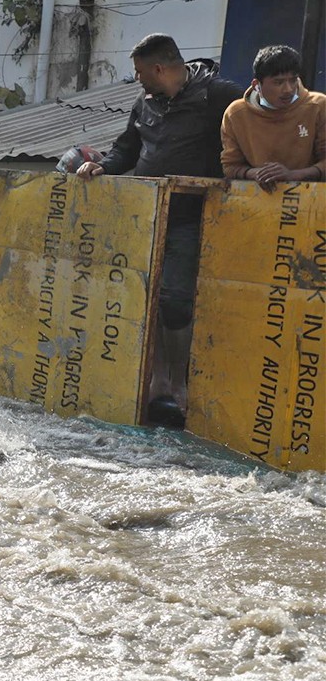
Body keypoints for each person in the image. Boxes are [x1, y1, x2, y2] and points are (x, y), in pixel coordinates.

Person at [76, 33, 244, 427]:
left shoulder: (218, 95)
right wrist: (104, 166)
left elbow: (247, 140)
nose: (137, 80)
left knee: (177, 300)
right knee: (141, 298)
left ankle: (176, 382)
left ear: (159, 68)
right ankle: (149, 381)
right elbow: (127, 148)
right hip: (146, 216)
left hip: (193, 216)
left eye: (139, 72)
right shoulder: (145, 103)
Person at [221, 44, 326, 189]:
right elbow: (230, 166)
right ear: (257, 85)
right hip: (257, 201)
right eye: (278, 82)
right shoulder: (236, 114)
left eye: (293, 80)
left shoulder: (318, 106)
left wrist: (292, 175)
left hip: (312, 201)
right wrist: (257, 174)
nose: (288, 89)